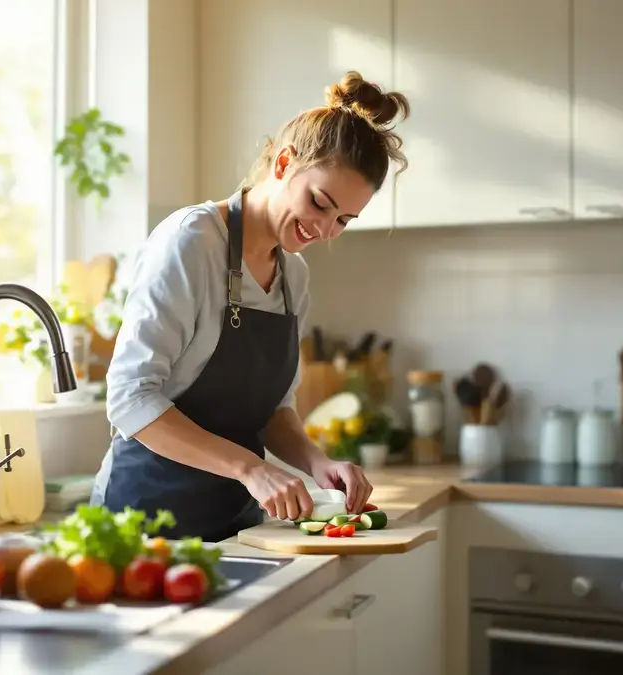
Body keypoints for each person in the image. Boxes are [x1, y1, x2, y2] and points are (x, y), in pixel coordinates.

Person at [90, 71, 411, 542]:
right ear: (284, 163)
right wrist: (250, 468)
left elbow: (275, 412)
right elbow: (130, 397)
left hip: (236, 527)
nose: (324, 230)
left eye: (344, 219)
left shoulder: (292, 277)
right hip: (142, 525)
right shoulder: (192, 242)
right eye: (320, 203)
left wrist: (317, 464)